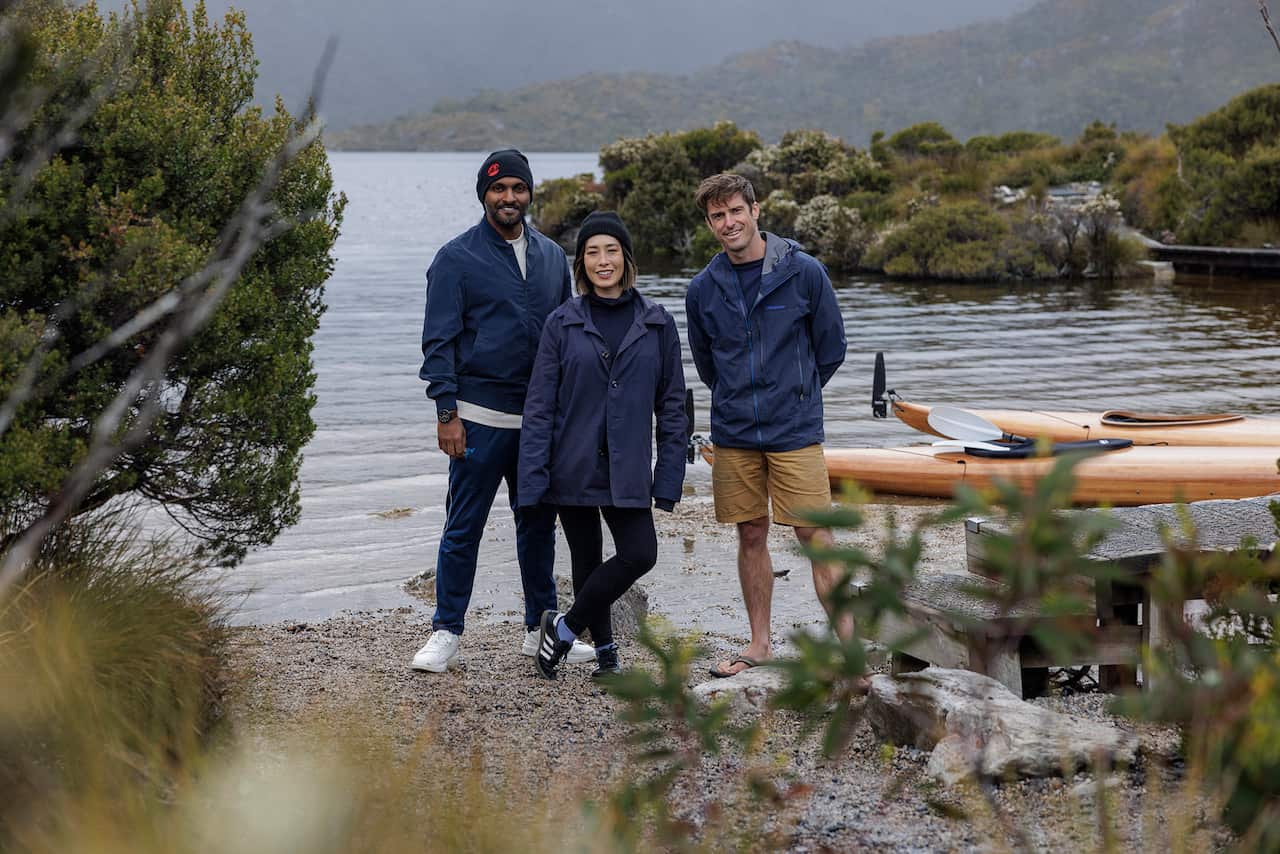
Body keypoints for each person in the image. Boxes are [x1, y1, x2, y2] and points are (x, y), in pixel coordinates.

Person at [411, 149, 595, 672]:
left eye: (517, 188)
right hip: (477, 418)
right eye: (498, 189)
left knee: (536, 526)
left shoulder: (554, 258)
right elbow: (438, 341)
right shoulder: (456, 258)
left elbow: (566, 337)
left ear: (529, 193)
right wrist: (446, 412)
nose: (508, 198)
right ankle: (446, 631)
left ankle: (538, 627)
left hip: (537, 421)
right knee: (462, 527)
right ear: (484, 195)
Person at [683, 173, 852, 680]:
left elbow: (831, 348)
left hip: (795, 430)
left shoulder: (804, 273)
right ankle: (759, 644)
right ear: (710, 223)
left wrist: (795, 394)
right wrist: (739, 398)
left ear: (756, 210)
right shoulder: (702, 289)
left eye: (736, 210)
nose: (728, 222)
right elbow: (707, 364)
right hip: (734, 434)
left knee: (815, 534)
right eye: (717, 216)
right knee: (750, 533)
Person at [518, 211, 687, 679]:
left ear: (626, 258)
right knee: (587, 559)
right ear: (581, 264)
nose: (602, 260)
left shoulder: (657, 324)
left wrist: (668, 478)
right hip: (571, 464)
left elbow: (672, 408)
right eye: (592, 252)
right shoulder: (562, 323)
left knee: (640, 554)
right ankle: (608, 656)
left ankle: (565, 629)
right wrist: (533, 479)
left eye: (611, 249)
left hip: (629, 468)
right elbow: (540, 407)